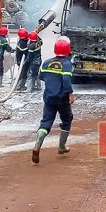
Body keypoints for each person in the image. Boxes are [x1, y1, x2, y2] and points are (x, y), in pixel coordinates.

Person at [32, 36, 75, 164]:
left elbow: (41, 77)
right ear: (68, 50)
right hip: (62, 98)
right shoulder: (67, 64)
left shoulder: (47, 62)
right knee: (67, 119)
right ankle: (62, 147)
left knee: (46, 122)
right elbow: (66, 80)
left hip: (49, 98)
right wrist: (70, 94)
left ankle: (37, 145)